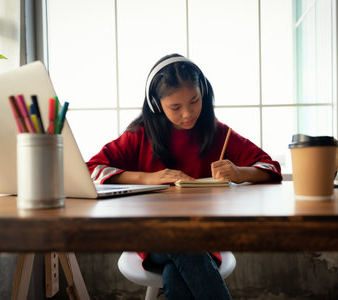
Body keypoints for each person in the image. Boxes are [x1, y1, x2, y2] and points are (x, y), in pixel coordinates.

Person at [87, 53, 282, 300]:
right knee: (183, 244)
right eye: (175, 107)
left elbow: (272, 168)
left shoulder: (219, 134)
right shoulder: (140, 136)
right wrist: (148, 178)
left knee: (175, 273)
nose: (188, 114)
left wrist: (240, 172)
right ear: (157, 105)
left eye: (194, 101)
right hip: (150, 238)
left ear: (204, 94)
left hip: (205, 237)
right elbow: (92, 167)